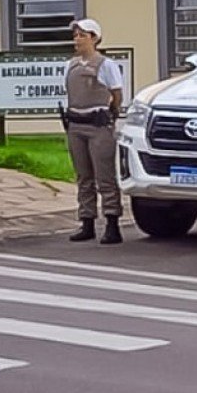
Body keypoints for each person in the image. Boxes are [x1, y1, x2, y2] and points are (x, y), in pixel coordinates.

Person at [63, 18, 126, 245]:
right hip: (76, 125)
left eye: (82, 35)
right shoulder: (70, 65)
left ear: (95, 38)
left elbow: (116, 93)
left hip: (98, 125)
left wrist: (113, 111)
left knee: (105, 176)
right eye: (76, 35)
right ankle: (87, 221)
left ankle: (112, 223)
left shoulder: (105, 65)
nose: (77, 39)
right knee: (83, 176)